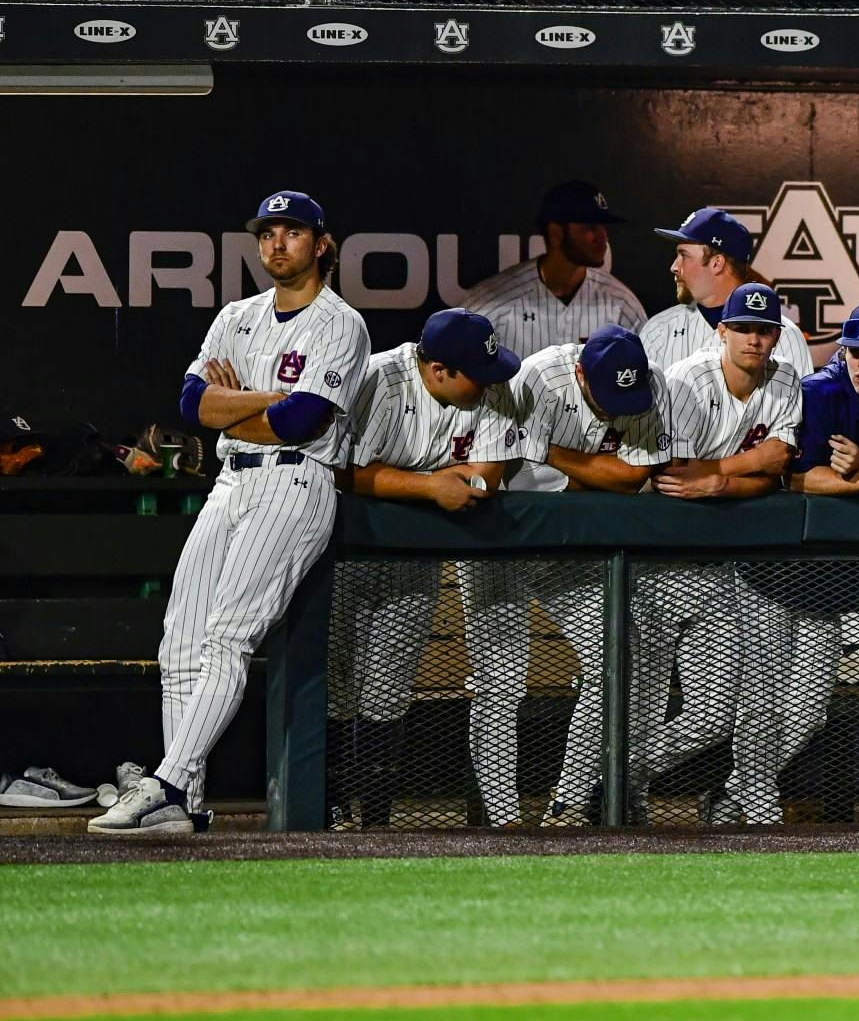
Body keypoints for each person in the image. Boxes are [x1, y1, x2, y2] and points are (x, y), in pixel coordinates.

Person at [92, 191, 370, 836]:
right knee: (180, 639)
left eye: (292, 231)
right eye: (267, 232)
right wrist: (263, 400)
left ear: (321, 243)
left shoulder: (339, 323)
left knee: (227, 638)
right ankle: (184, 803)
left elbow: (302, 423)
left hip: (294, 486)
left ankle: (166, 784)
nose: (277, 243)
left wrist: (235, 399)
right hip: (230, 482)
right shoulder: (236, 317)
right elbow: (191, 407)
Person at [713, 301, 859, 821]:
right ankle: (749, 810)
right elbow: (794, 477)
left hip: (841, 572)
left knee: (807, 714)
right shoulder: (819, 392)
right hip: (776, 564)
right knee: (760, 702)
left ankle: (731, 795)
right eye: (855, 352)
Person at [468, 324, 671, 827]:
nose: (617, 409)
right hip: (501, 535)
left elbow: (629, 480)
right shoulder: (537, 379)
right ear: (581, 372)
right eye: (606, 398)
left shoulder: (648, 387)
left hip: (567, 547)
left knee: (618, 656)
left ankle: (569, 804)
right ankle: (502, 820)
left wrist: (554, 453)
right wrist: (594, 468)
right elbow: (508, 471)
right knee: (502, 678)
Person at [327, 307, 517, 828]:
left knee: (388, 688)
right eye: (476, 374)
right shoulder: (380, 381)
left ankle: (379, 818)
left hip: (415, 557)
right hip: (347, 548)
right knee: (338, 681)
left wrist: (421, 483)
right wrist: (432, 485)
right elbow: (343, 470)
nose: (488, 382)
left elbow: (489, 474)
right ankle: (331, 802)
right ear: (438, 370)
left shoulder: (488, 387)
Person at [626, 285, 802, 826]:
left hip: (715, 570)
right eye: (743, 328)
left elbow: (775, 468)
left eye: (764, 329)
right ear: (721, 330)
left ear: (776, 336)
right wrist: (746, 465)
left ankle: (617, 776)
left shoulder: (786, 380)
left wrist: (721, 478)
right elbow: (676, 480)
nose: (754, 337)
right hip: (652, 561)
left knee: (713, 712)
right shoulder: (685, 380)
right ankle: (598, 802)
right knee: (637, 702)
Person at [460, 181, 646, 356]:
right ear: (556, 232)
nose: (602, 236)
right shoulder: (491, 304)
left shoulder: (621, 304)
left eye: (604, 226)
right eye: (590, 226)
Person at [641, 206, 815, 379]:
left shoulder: (784, 336)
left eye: (684, 255)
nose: (674, 267)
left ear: (717, 263)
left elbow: (799, 405)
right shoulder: (658, 332)